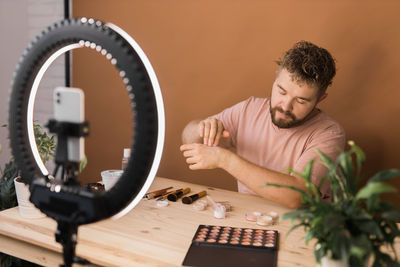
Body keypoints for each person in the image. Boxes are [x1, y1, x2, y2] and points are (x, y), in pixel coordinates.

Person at [180, 41, 346, 208]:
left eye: (301, 101)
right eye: (282, 91)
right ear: (275, 79)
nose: (285, 106)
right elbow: (189, 139)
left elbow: (298, 196)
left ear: (320, 99)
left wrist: (226, 160)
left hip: (303, 227)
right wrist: (202, 128)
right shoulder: (249, 109)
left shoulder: (329, 133)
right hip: (250, 219)